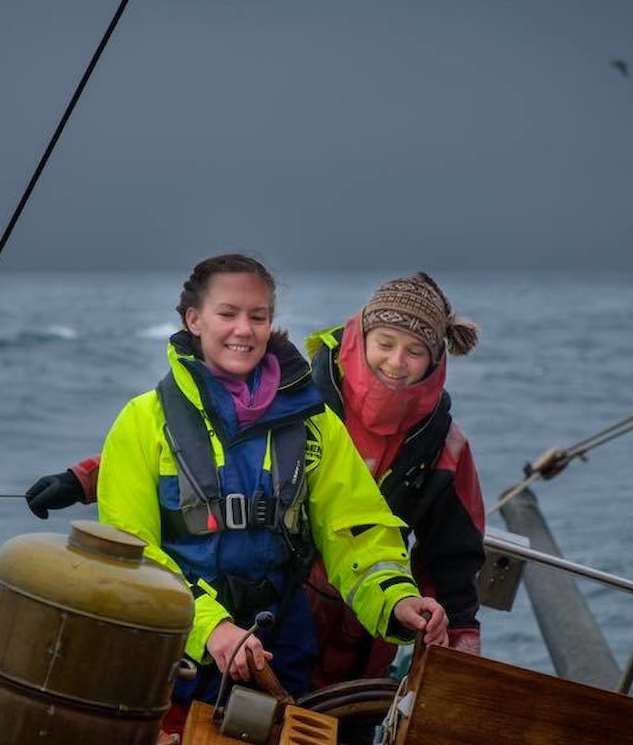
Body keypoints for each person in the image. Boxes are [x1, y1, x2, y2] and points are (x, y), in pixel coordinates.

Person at [32, 253, 449, 736]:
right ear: (194, 319)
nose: (244, 330)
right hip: (174, 656)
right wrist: (211, 630)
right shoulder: (142, 422)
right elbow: (133, 557)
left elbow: (357, 532)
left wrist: (396, 599)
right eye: (227, 313)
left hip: (279, 650)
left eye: (258, 316)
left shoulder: (314, 424)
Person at [303, 272, 486, 703]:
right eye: (385, 343)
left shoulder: (445, 445)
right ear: (360, 335)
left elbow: (453, 555)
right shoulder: (295, 401)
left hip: (369, 628)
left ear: (436, 358)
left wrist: (457, 636)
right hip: (275, 610)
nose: (396, 362)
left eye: (415, 350)